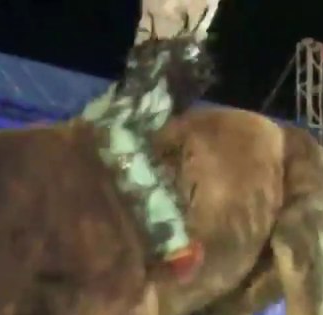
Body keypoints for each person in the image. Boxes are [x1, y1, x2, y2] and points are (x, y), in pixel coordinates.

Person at [81, 0, 221, 279]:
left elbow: (176, 20)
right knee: (85, 123)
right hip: (143, 67)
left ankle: (172, 236)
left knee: (112, 130)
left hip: (169, 69)